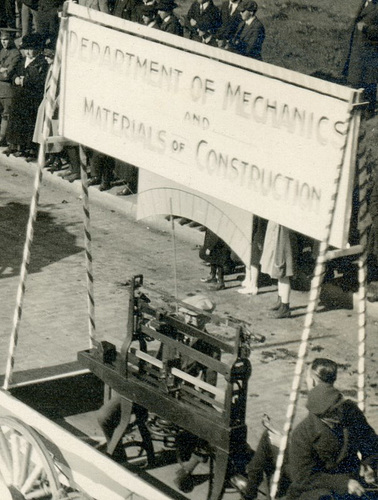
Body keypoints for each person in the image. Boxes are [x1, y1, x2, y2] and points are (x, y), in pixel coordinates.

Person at [241, 358, 378, 500]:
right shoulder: (346, 408)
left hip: (322, 484)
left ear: (312, 381)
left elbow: (304, 476)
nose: (339, 415)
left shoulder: (314, 421)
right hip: (325, 471)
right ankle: (253, 490)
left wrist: (368, 466)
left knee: (268, 439)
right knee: (270, 438)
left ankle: (250, 492)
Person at [4, 32, 48, 158]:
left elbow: (40, 80)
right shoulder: (23, 61)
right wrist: (16, 78)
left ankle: (30, 149)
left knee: (29, 124)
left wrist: (25, 81)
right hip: (19, 96)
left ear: (38, 49)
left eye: (31, 49)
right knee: (17, 122)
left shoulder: (41, 62)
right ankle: (16, 145)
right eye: (26, 49)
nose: (28, 52)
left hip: (31, 97)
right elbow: (14, 74)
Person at [344, 0, 378, 119]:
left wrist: (366, 29)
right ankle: (352, 115)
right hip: (356, 51)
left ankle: (367, 114)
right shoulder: (364, 2)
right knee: (354, 83)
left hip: (369, 55)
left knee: (368, 85)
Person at [259, 222, 297, 318]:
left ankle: (285, 307)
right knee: (277, 267)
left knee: (282, 268)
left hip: (283, 229)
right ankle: (280, 301)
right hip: (277, 227)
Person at [0, 28, 21, 146]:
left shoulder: (16, 53)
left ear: (11, 40)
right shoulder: (1, 52)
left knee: (6, 115)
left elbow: (7, 74)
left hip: (7, 90)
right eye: (2, 39)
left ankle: (2, 138)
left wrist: (4, 71)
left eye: (6, 39)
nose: (4, 42)